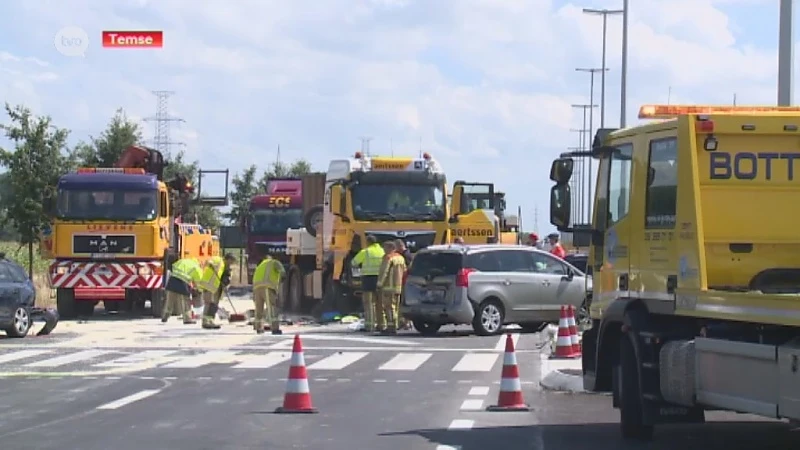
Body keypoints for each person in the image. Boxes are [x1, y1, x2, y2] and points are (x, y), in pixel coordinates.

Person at [352, 235, 385, 332]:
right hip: (380, 279)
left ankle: (370, 325)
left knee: (369, 303)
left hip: (368, 279)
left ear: (368, 242)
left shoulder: (366, 252)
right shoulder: (382, 251)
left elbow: (354, 262)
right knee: (380, 303)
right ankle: (381, 325)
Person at [199, 253, 236, 329]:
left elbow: (228, 279)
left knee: (214, 305)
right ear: (227, 259)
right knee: (209, 303)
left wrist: (226, 285)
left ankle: (210, 320)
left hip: (217, 288)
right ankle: (206, 322)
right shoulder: (218, 260)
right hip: (209, 284)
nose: (231, 263)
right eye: (231, 261)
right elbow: (208, 261)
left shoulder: (228, 269)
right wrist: (211, 265)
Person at [252, 253, 286, 334]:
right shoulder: (274, 262)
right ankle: (275, 328)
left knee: (259, 309)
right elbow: (283, 273)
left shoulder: (260, 265)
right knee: (271, 308)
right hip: (267, 287)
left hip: (256, 289)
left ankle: (258, 327)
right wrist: (280, 282)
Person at [162, 257, 203, 324]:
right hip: (183, 283)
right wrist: (198, 290)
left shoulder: (182, 261)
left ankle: (165, 316)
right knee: (185, 301)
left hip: (173, 279)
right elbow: (199, 282)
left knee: (169, 300)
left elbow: (173, 265)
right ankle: (187, 319)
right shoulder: (196, 268)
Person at [377, 240, 406, 335]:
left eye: (385, 248)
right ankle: (396, 324)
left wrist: (379, 284)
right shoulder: (401, 258)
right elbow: (405, 270)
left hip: (388, 287)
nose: (384, 250)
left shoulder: (388, 258)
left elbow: (384, 272)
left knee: (389, 307)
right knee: (396, 307)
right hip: (399, 286)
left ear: (390, 248)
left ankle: (391, 327)